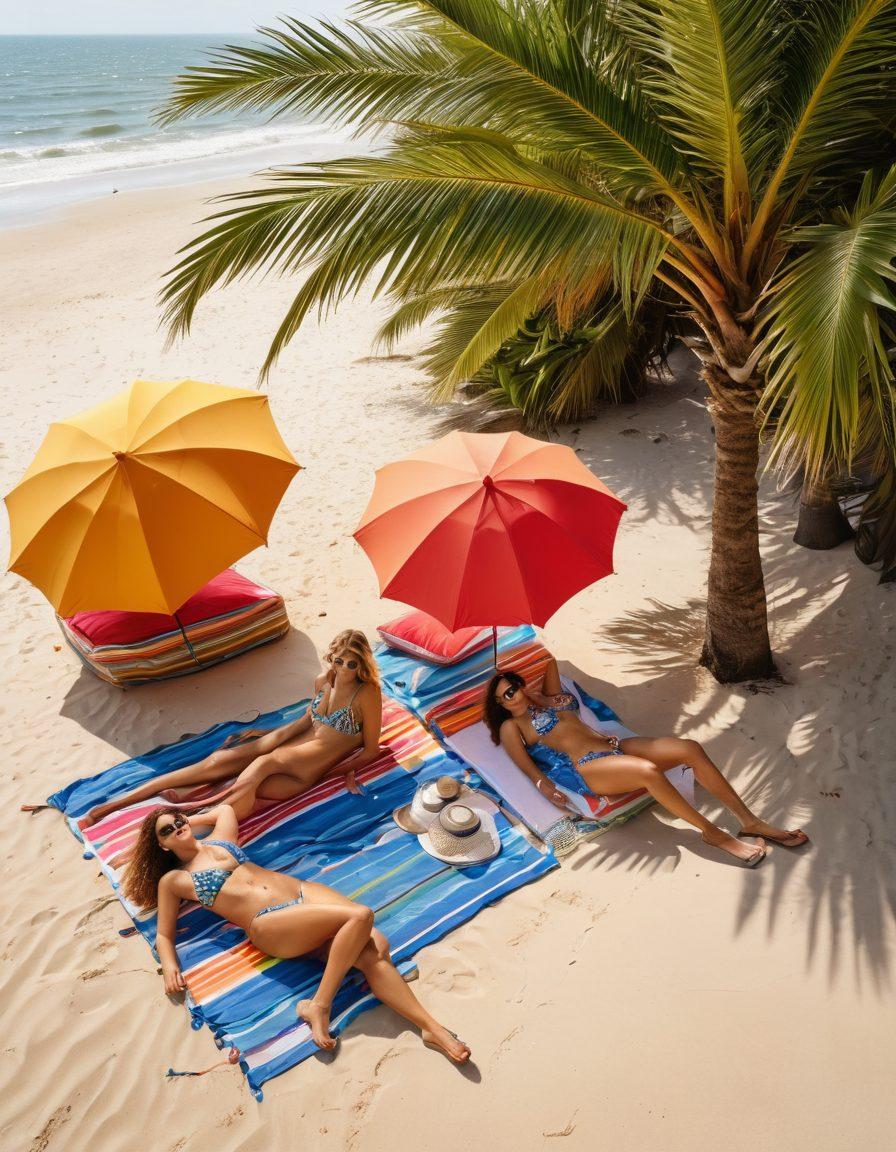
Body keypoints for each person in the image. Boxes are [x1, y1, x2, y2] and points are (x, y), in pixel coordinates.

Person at [124, 802, 470, 1061]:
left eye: (177, 821)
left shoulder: (220, 840)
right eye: (165, 832)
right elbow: (165, 934)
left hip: (303, 893)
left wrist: (187, 819)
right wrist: (169, 964)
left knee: (374, 951)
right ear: (162, 847)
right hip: (269, 922)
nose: (176, 828)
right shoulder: (175, 880)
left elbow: (225, 808)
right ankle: (320, 1004)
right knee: (360, 917)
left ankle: (432, 1028)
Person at [484, 656, 808, 866]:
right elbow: (527, 767)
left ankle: (749, 820)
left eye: (513, 688)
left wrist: (539, 696)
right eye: (505, 696)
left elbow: (550, 662)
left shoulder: (550, 698)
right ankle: (712, 832)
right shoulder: (512, 727)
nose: (511, 696)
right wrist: (544, 786)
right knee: (649, 771)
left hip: (614, 747)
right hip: (589, 769)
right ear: (500, 704)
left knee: (689, 748)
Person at [82, 630, 383, 827]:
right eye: (338, 660)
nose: (343, 668)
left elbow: (371, 749)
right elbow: (307, 721)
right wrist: (264, 736)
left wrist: (333, 773)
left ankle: (186, 815)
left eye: (351, 664)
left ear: (362, 665)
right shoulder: (322, 681)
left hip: (306, 770)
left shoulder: (367, 693)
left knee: (245, 783)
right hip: (288, 749)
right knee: (219, 762)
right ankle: (112, 807)